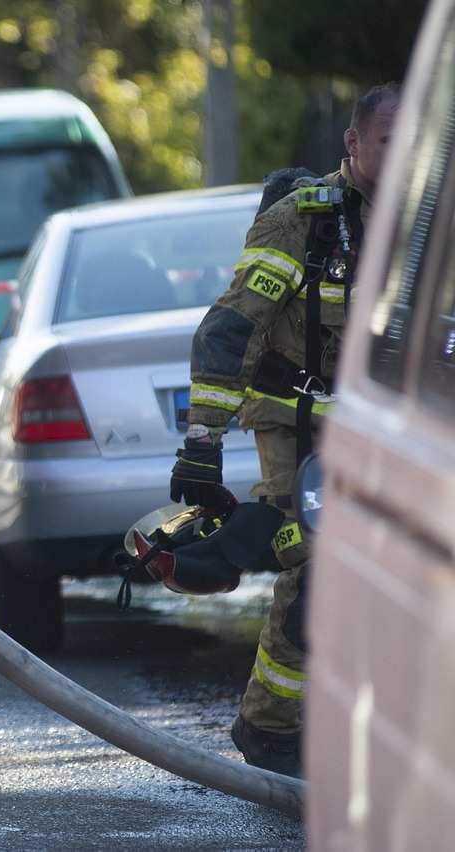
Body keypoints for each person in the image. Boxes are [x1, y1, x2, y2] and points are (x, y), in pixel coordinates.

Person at [173, 83, 400, 777]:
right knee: (313, 561)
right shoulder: (300, 221)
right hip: (296, 418)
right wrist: (202, 442)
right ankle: (267, 727)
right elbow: (231, 330)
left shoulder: (428, 225)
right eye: (387, 142)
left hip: (386, 428)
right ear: (352, 144)